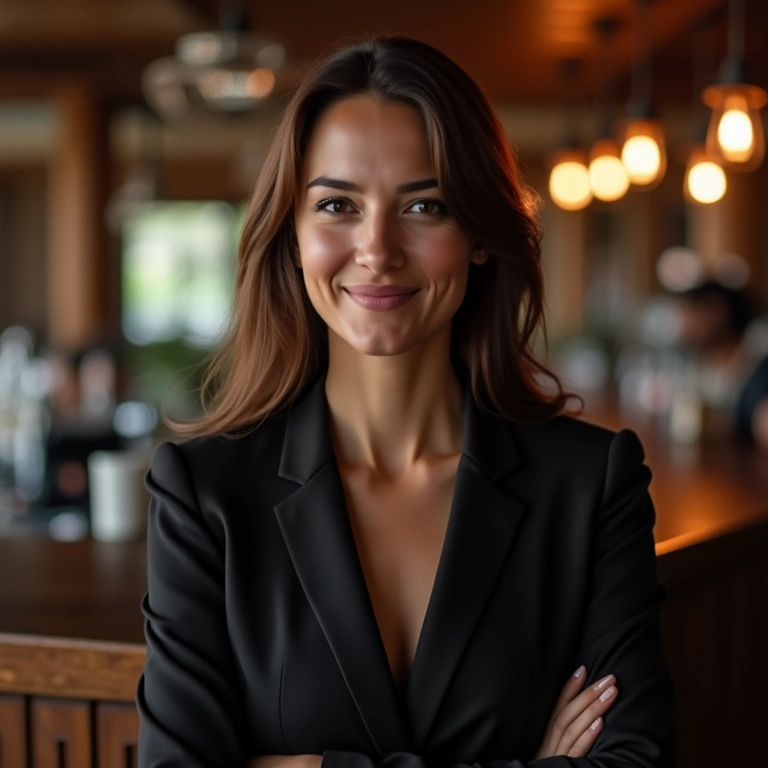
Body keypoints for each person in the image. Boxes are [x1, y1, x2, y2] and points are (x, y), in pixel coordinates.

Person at [136, 36, 674, 768]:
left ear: (480, 233)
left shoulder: (591, 484)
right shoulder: (203, 494)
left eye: (425, 204)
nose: (378, 247)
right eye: (336, 205)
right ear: (292, 236)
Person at [676, 280, 768, 449]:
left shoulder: (760, 366)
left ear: (715, 310)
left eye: (687, 315)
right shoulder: (716, 364)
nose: (681, 328)